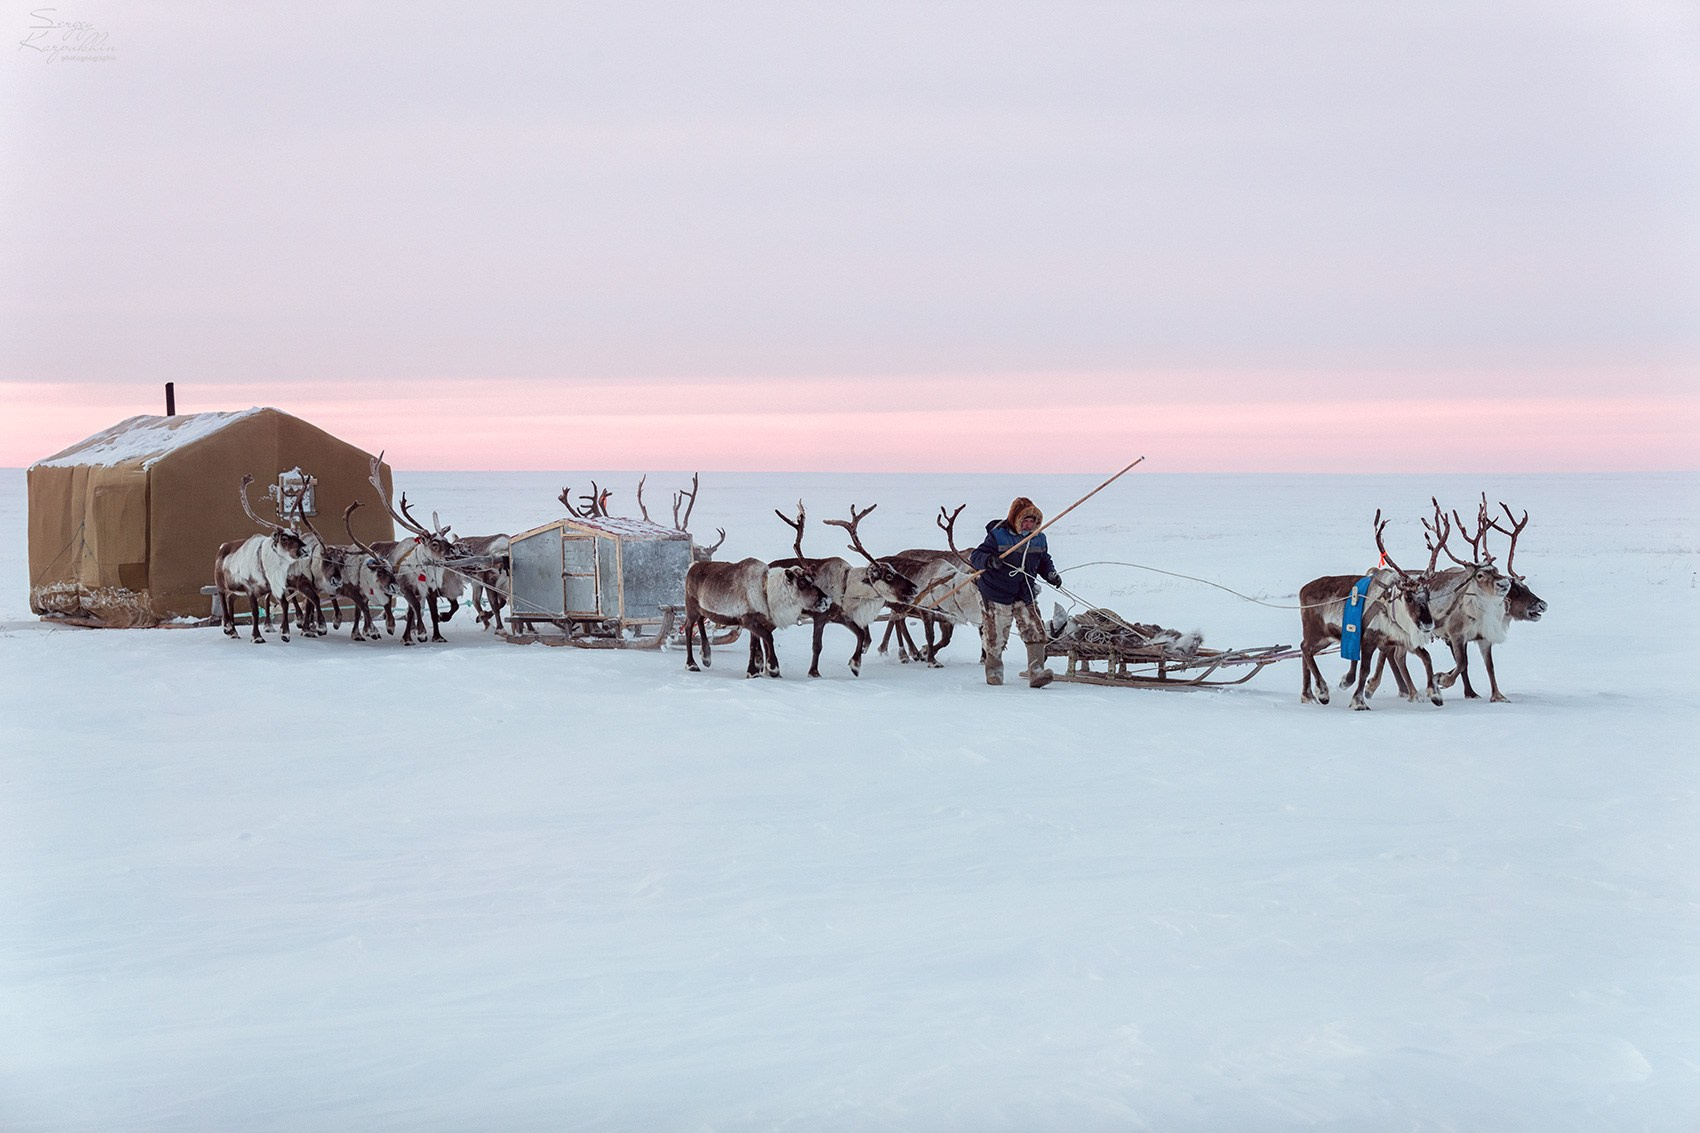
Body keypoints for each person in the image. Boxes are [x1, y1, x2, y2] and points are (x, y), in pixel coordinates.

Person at [970, 497, 1063, 688]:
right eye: (1026, 521)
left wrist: (1051, 574)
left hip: (1025, 592)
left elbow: (1044, 560)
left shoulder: (1038, 537)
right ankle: (994, 672)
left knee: (1035, 630)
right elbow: (976, 557)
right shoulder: (998, 536)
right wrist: (990, 561)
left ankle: (1036, 672)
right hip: (997, 593)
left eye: (1033, 521)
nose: (1030, 525)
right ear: (1016, 519)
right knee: (996, 634)